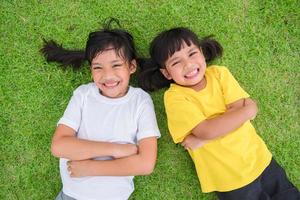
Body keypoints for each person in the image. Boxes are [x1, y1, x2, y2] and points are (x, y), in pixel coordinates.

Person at [138, 27, 299, 200]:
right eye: (176, 62)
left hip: (262, 160)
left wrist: (204, 137)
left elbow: (235, 111)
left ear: (202, 52)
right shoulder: (175, 97)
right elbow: (209, 128)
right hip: (229, 179)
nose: (188, 64)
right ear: (166, 73)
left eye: (192, 54)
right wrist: (248, 111)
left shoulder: (219, 74)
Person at [41, 19, 160, 200]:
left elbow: (145, 163)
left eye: (116, 65)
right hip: (71, 195)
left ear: (132, 66)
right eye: (98, 67)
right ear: (91, 70)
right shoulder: (83, 95)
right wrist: (116, 150)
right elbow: (59, 146)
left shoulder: (141, 101)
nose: (107, 75)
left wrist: (91, 168)